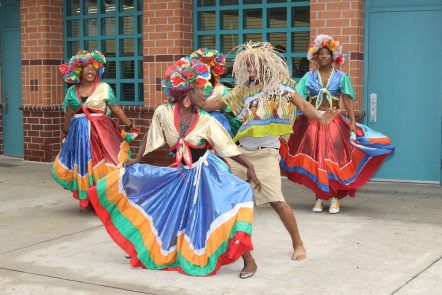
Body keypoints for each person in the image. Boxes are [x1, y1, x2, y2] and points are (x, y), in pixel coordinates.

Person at [87, 57, 261, 278]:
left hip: (206, 172)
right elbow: (152, 135)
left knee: (221, 209)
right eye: (200, 90)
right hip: (181, 173)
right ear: (187, 95)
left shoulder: (207, 120)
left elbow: (227, 147)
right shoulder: (164, 112)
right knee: (163, 210)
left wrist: (250, 166)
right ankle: (148, 247)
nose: (205, 94)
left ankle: (250, 261)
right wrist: (137, 159)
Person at [197, 42, 339, 261]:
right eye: (248, 66)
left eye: (255, 65)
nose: (251, 69)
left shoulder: (281, 87)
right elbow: (213, 104)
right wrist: (189, 94)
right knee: (222, 198)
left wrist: (320, 117)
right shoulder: (242, 91)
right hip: (240, 155)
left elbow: (302, 105)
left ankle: (298, 243)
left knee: (278, 203)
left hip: (266, 155)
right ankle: (215, 244)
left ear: (266, 65)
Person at [279, 35, 394, 214]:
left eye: (327, 53)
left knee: (333, 160)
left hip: (334, 122)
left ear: (333, 57)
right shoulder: (308, 77)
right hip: (313, 123)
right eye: (321, 53)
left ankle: (334, 198)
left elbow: (347, 101)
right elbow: (298, 99)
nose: (324, 56)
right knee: (316, 161)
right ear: (315, 57)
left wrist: (353, 124)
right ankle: (318, 197)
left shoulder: (341, 77)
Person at [52, 50, 138, 210]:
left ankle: (104, 197)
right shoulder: (72, 91)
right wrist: (65, 133)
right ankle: (89, 199)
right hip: (79, 137)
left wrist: (128, 124)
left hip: (101, 135)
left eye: (93, 69)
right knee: (85, 166)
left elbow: (116, 109)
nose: (90, 72)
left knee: (107, 163)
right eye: (86, 68)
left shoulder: (104, 88)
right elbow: (69, 114)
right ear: (79, 71)